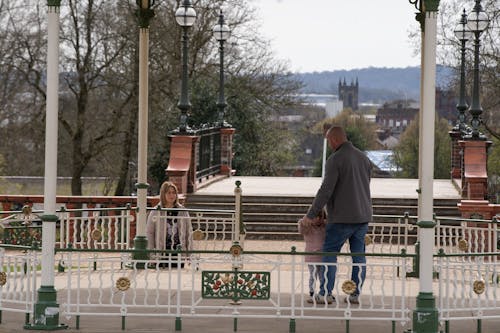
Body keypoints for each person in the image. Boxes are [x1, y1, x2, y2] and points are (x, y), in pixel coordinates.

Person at [302, 125, 372, 305]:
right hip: (362, 216)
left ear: (333, 140)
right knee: (359, 256)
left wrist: (311, 214)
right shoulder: (364, 158)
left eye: (328, 141)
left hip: (341, 218)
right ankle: (355, 294)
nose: (329, 144)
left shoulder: (335, 160)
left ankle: (325, 293)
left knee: (330, 254)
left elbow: (325, 190)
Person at [146, 181, 193, 268]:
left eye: (174, 193)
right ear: (163, 194)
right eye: (169, 193)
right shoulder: (156, 211)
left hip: (178, 251)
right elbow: (150, 233)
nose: (172, 195)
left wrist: (189, 255)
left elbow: (188, 232)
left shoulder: (182, 211)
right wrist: (152, 255)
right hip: (162, 253)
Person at [298, 211, 326, 303]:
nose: (317, 219)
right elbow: (301, 229)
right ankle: (312, 292)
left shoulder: (324, 227)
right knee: (313, 275)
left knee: (323, 276)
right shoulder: (307, 228)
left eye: (319, 217)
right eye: (315, 217)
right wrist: (306, 219)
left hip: (322, 255)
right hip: (311, 255)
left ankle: (324, 292)